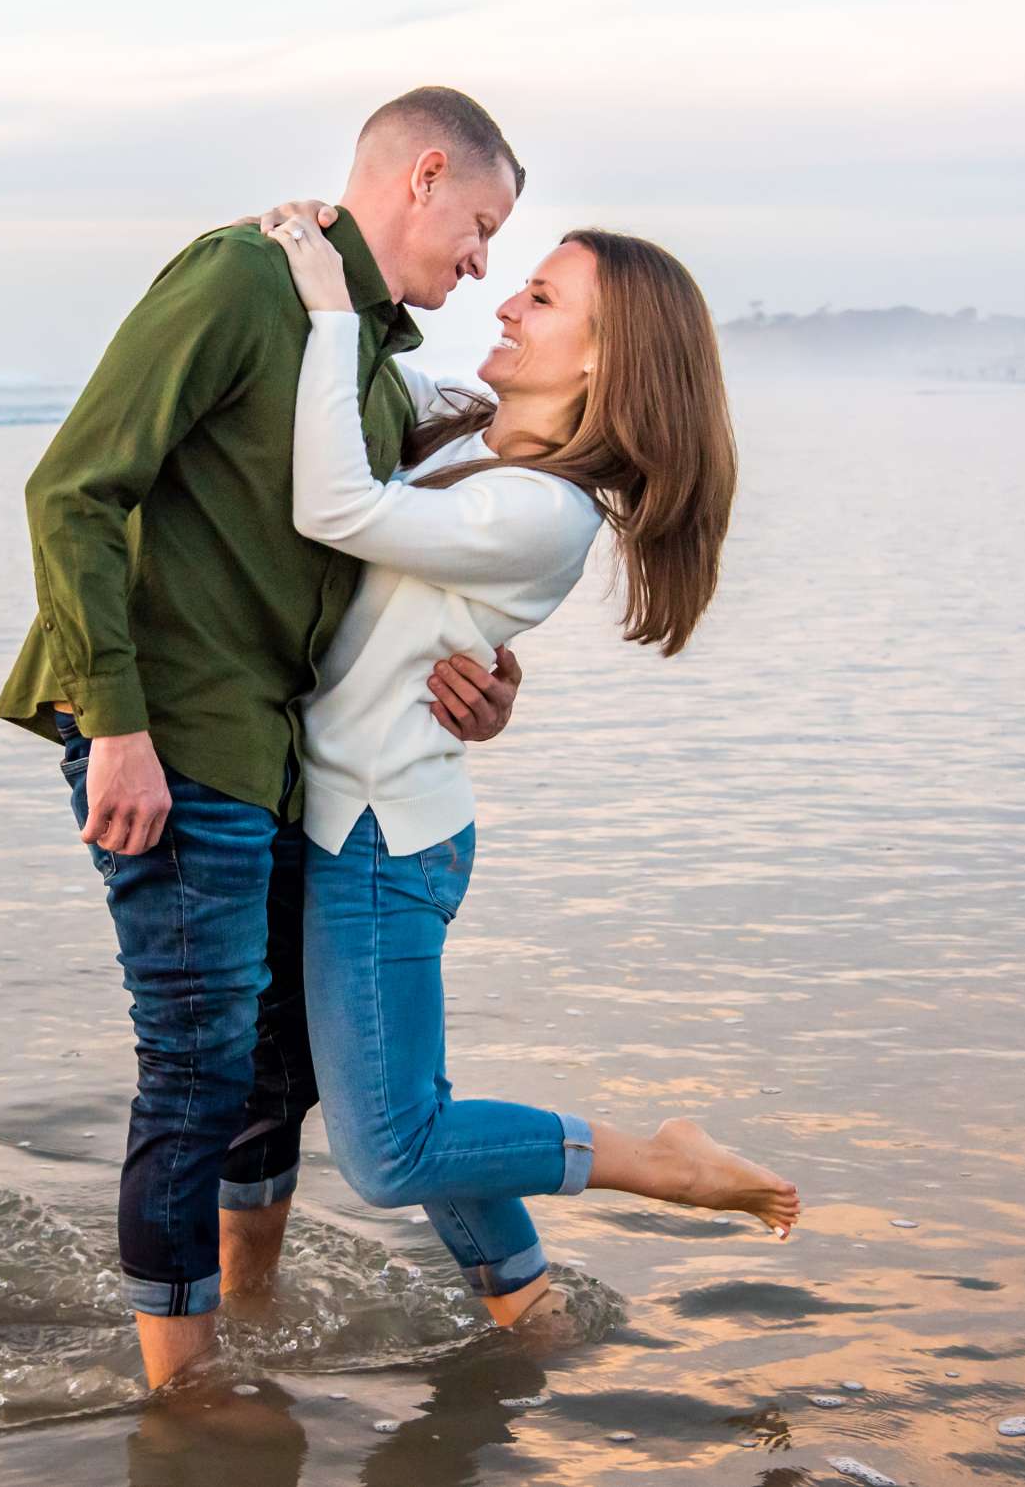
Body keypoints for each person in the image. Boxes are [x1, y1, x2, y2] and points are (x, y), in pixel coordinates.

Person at [0, 87, 532, 1389]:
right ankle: (181, 1395)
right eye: (482, 222)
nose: (484, 260)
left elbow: (386, 553)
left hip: (277, 744)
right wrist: (115, 724)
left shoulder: (364, 352)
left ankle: (247, 1327)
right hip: (169, 726)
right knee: (195, 1062)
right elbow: (73, 486)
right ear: (423, 172)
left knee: (274, 1065)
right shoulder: (244, 278)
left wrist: (489, 682)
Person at [249, 200, 800, 1334]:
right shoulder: (478, 449)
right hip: (374, 818)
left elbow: (332, 504)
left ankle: (658, 1161)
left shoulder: (541, 509)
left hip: (378, 839)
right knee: (425, 1111)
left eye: (541, 298)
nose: (504, 299)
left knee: (393, 1152)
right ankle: (525, 1303)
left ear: (607, 358)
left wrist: (328, 313)